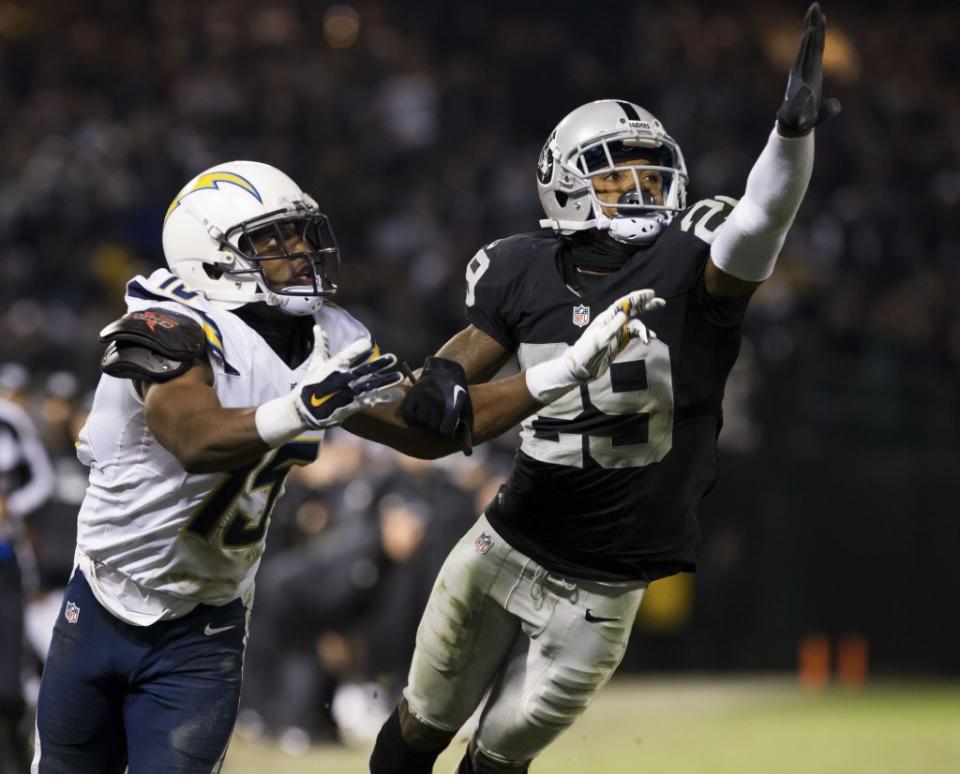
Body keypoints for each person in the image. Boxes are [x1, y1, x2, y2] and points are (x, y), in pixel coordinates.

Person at [31, 160, 661, 773]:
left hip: (206, 621)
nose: (301, 250)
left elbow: (426, 431)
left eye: (302, 233)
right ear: (214, 255)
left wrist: (563, 370)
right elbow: (192, 437)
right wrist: (303, 406)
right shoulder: (168, 322)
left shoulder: (328, 337)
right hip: (102, 600)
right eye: (273, 239)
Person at [369, 4, 841, 772]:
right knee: (418, 729)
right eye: (616, 172)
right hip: (506, 543)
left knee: (495, 761)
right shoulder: (520, 265)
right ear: (565, 181)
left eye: (650, 171)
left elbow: (761, 220)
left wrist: (790, 138)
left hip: (606, 584)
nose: (640, 186)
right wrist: (442, 375)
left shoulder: (695, 260)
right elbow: (461, 362)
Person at [0, 394, 53, 772]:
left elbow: (43, 478)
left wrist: (11, 504)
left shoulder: (10, 417)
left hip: (5, 561)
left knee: (8, 689)